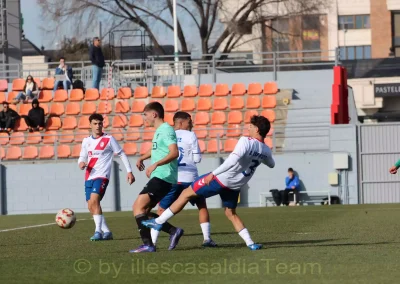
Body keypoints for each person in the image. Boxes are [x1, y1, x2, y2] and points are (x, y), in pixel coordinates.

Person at [142, 115, 275, 251]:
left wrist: (213, 174)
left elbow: (231, 161)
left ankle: (158, 222)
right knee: (231, 214)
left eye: (251, 126)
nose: (248, 128)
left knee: (185, 194)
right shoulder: (265, 150)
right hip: (235, 186)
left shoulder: (246, 141)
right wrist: (260, 155)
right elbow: (272, 164)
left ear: (257, 129)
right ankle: (250, 243)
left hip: (221, 179)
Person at [150, 111, 217, 249]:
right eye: (189, 121)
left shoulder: (168, 134)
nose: (191, 123)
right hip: (191, 179)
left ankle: (153, 243)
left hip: (173, 178)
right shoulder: (190, 135)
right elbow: (197, 159)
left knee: (161, 209)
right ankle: (207, 239)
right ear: (181, 122)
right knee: (202, 207)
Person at [129, 102, 179, 253]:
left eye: (146, 115)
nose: (145, 119)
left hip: (164, 176)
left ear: (154, 114)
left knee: (137, 207)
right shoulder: (159, 131)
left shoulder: (166, 130)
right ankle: (172, 231)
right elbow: (157, 149)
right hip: (161, 176)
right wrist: (142, 158)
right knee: (144, 212)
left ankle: (148, 244)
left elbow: (174, 152)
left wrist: (156, 164)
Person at [78, 113, 135, 241]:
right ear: (90, 125)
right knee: (90, 206)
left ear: (103, 124)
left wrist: (129, 171)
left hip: (102, 176)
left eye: (100, 123)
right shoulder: (86, 141)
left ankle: (98, 231)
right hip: (89, 176)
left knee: (94, 200)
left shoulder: (109, 139)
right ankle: (107, 231)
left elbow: (121, 154)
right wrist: (81, 163)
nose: (98, 126)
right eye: (95, 123)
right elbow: (82, 157)